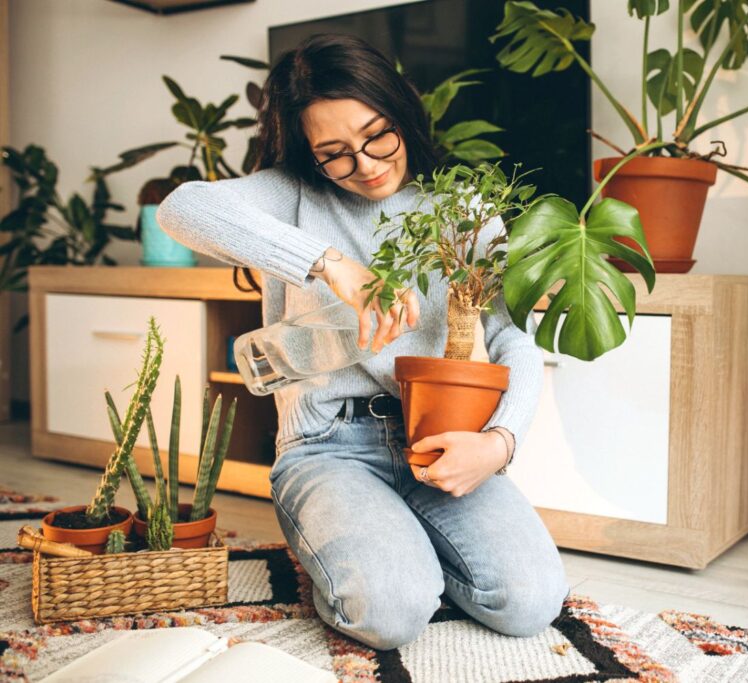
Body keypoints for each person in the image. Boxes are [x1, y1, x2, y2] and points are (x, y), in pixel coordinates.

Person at [156, 33, 570, 650]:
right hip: (329, 445)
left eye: (377, 135)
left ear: (400, 111)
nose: (368, 164)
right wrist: (329, 265)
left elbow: (509, 335)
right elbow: (181, 208)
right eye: (337, 153)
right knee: (392, 613)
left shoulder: (461, 207)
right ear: (309, 152)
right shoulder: (291, 193)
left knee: (530, 602)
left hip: (440, 438)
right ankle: (368, 545)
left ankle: (396, 538)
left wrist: (499, 442)